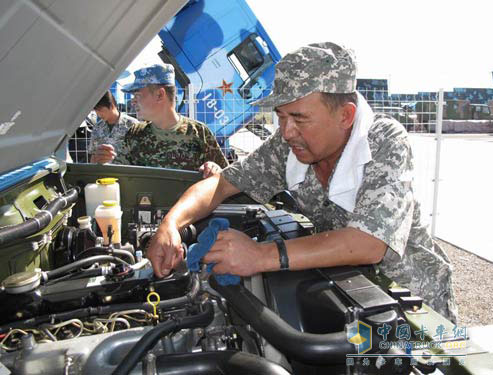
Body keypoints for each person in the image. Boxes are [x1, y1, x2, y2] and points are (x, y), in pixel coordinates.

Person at [146, 43, 457, 322]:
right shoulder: (289, 147)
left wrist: (260, 255)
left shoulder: (384, 141)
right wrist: (171, 224)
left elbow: (369, 243)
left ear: (346, 116)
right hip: (349, 298)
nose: (286, 132)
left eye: (299, 118)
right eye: (280, 117)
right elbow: (220, 184)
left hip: (415, 309)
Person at [114, 64, 228, 176]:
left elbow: (226, 180)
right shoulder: (135, 133)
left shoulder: (199, 132)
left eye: (137, 95)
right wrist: (104, 161)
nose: (133, 102)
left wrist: (215, 169)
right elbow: (120, 176)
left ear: (160, 94)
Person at [89, 90, 139, 164]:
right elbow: (93, 155)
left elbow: (140, 156)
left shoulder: (133, 125)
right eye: (96, 111)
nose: (98, 114)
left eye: (100, 110)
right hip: (104, 174)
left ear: (112, 106)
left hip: (126, 173)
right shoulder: (97, 127)